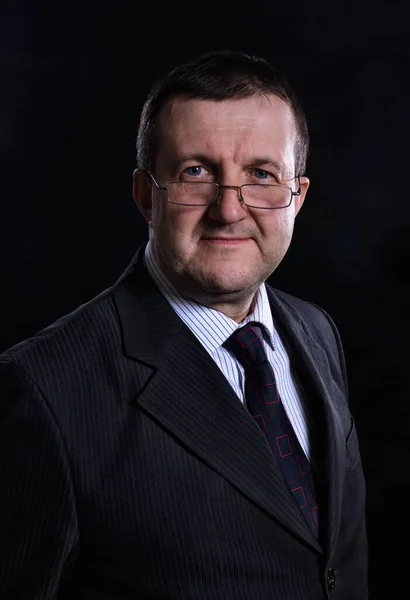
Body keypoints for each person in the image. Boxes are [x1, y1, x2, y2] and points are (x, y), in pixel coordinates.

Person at [0, 49, 368, 599]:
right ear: (147, 195)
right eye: (196, 172)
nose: (229, 208)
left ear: (297, 197)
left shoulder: (317, 332)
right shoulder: (43, 387)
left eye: (261, 174)